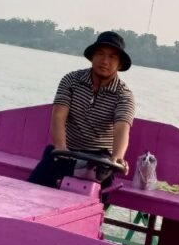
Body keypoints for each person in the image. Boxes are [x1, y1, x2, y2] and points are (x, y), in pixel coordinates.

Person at [28, 31, 135, 191]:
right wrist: (61, 147)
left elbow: (122, 129)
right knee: (32, 188)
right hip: (66, 151)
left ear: (119, 64)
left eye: (112, 57)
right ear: (92, 57)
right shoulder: (71, 80)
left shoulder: (124, 95)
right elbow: (58, 117)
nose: (105, 61)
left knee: (102, 184)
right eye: (100, 54)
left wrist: (117, 157)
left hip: (100, 160)